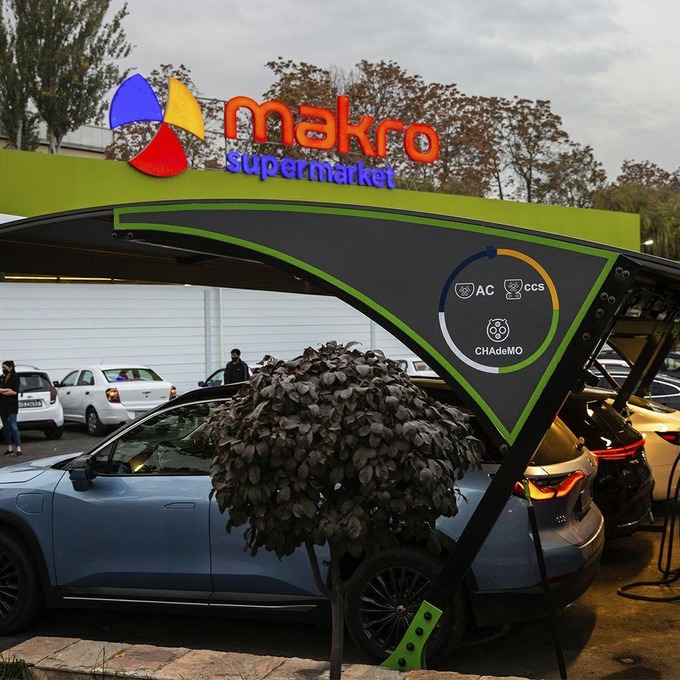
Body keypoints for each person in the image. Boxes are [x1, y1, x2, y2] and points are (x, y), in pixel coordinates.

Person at [0, 360, 22, 456]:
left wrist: (3, 391)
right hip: (2, 405)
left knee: (13, 426)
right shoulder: (2, 377)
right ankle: (9, 448)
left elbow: (14, 392)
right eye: (2, 368)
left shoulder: (15, 377)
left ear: (10, 367)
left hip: (12, 405)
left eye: (5, 368)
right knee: (6, 427)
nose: (3, 369)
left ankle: (18, 447)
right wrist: (7, 390)